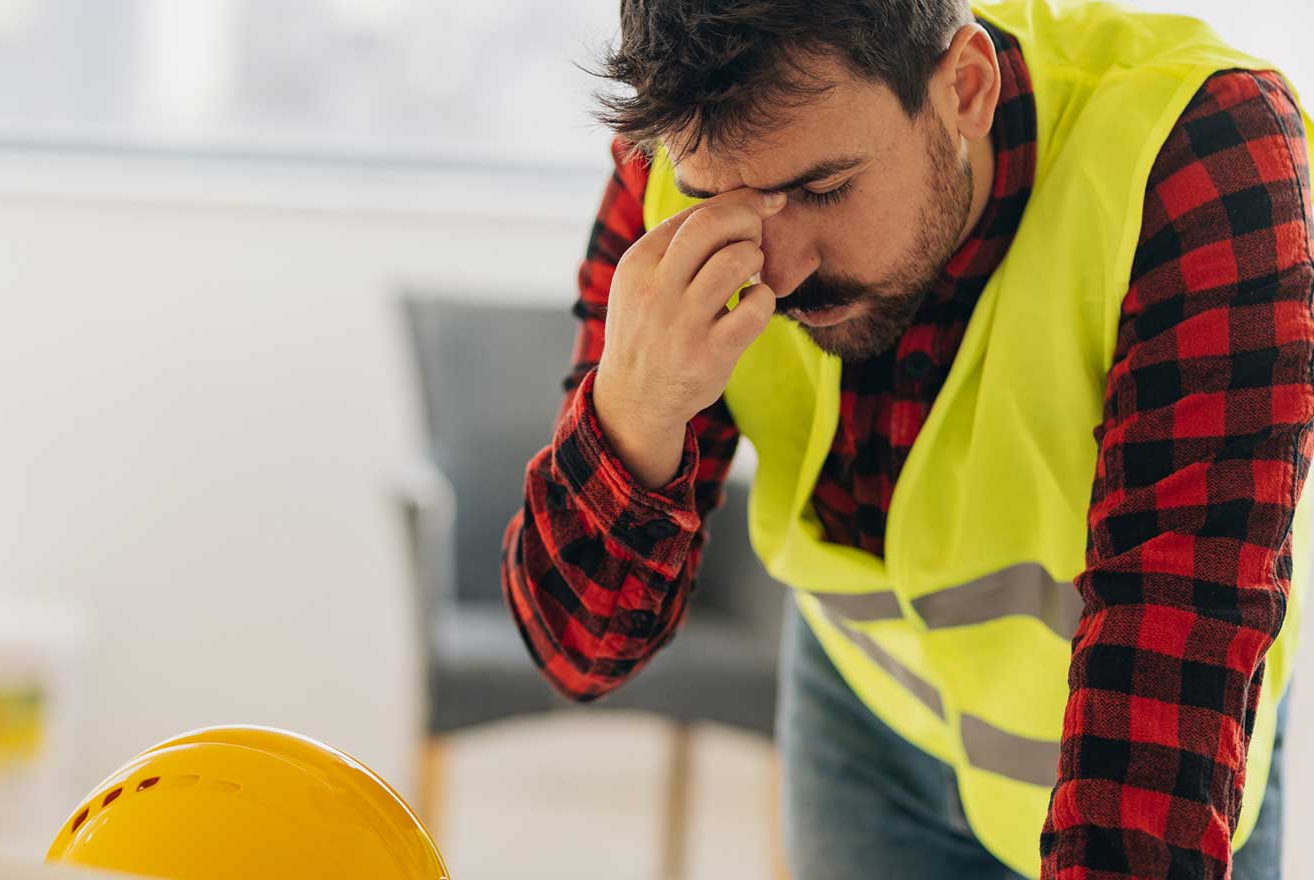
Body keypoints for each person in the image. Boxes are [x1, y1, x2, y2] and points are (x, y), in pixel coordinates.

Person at [499, 1, 1314, 877]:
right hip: (864, 715)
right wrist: (635, 410)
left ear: (964, 87)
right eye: (717, 206)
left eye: (824, 190)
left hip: (1136, 733)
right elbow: (573, 650)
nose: (779, 273)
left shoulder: (1203, 155)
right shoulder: (676, 150)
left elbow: (1174, 631)